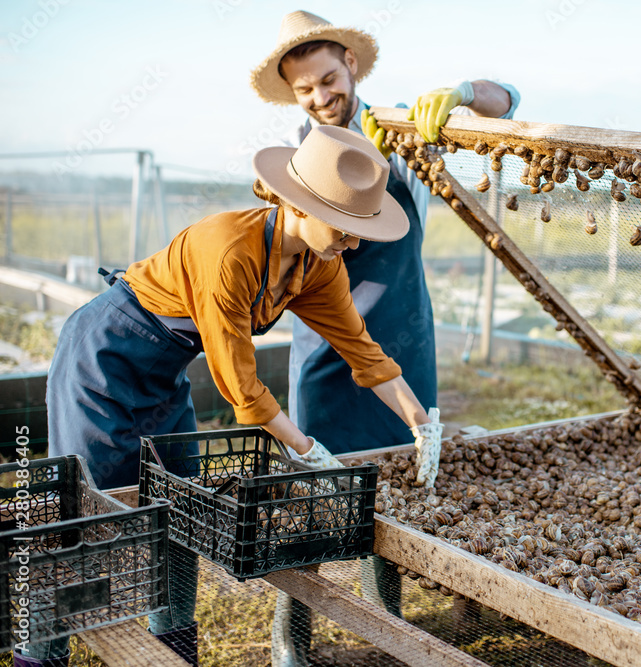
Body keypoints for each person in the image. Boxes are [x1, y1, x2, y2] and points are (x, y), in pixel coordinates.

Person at [38, 125, 442, 667]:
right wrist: (305, 448)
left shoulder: (317, 267)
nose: (355, 242)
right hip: (105, 358)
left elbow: (362, 351)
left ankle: (174, 649)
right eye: (345, 226)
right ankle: (41, 652)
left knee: (176, 505)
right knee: (84, 518)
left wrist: (422, 422)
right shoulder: (229, 251)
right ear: (300, 204)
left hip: (163, 374)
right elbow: (241, 388)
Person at [250, 11, 519, 667]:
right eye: (305, 88)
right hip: (322, 347)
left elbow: (508, 101)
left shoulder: (402, 127)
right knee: (310, 487)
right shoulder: (293, 150)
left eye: (328, 78)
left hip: (400, 335)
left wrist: (457, 94)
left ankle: (388, 626)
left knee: (388, 488)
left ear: (348, 62)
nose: (320, 96)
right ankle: (294, 640)